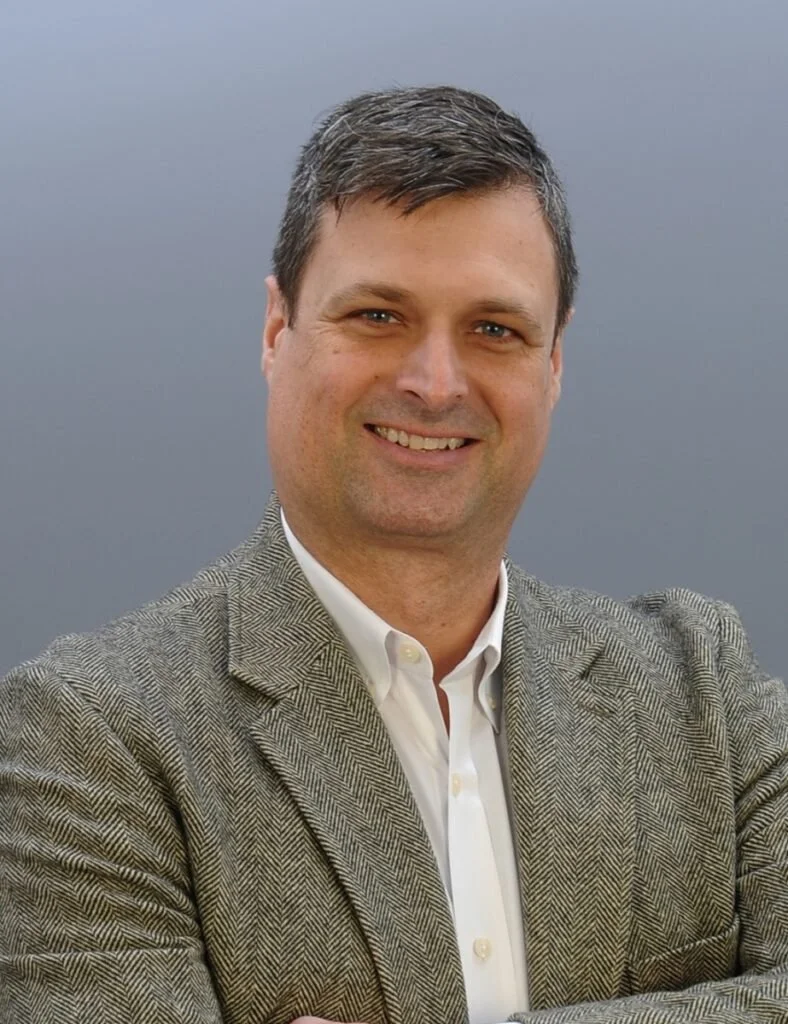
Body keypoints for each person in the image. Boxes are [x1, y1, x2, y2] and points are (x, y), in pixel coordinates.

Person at [1, 84, 786, 1024]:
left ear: (554, 365)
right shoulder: (83, 741)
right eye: (378, 315)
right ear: (276, 331)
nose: (436, 383)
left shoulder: (704, 694)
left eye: (494, 330)